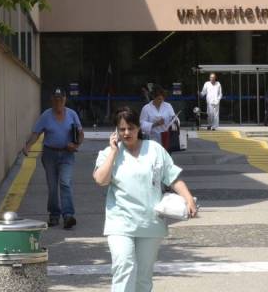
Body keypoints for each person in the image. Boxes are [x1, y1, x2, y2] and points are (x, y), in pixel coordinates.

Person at [94, 107, 197, 292]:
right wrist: (113, 152)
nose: (126, 133)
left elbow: (172, 178)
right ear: (116, 131)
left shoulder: (154, 149)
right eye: (122, 129)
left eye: (131, 128)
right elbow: (101, 180)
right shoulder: (109, 153)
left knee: (143, 276)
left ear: (139, 128)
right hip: (120, 222)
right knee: (123, 266)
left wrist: (188, 199)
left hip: (149, 223)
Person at [21, 89, 84, 229]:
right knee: (52, 186)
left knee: (65, 183)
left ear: (65, 99)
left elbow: (80, 133)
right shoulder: (46, 115)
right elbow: (36, 133)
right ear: (52, 100)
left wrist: (75, 145)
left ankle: (68, 215)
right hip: (50, 154)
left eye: (60, 99)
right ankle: (54, 215)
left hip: (67, 154)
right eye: (55, 99)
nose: (58, 102)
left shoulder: (72, 114)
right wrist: (28, 145)